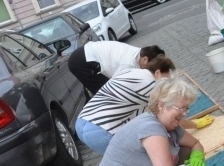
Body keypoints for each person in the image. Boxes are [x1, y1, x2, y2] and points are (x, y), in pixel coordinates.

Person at [76, 56, 213, 155]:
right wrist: (195, 124)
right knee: (136, 162)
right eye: (167, 78)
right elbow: (169, 116)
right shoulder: (151, 85)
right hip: (101, 129)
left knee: (123, 160)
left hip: (82, 121)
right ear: (158, 73)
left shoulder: (132, 71)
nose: (169, 84)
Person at [68, 41, 165, 96]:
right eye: (151, 67)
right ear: (145, 59)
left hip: (86, 55)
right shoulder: (128, 63)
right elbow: (116, 85)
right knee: (105, 94)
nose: (151, 70)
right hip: (81, 61)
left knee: (104, 92)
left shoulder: (138, 53)